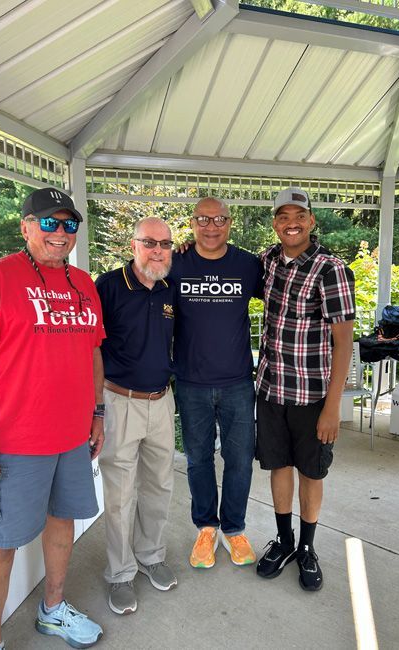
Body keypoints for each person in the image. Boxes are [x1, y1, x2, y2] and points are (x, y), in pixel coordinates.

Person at [0, 187, 105, 650]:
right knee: (1, 542)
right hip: (13, 440)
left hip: (71, 435)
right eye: (49, 222)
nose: (60, 233)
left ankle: (52, 609)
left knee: (63, 521)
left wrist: (97, 410)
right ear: (25, 225)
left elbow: (92, 352)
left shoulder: (84, 284)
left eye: (69, 224)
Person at [255, 187, 355, 591]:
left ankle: (308, 548)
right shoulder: (267, 262)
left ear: (312, 221)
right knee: (279, 466)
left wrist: (333, 407)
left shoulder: (331, 269)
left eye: (299, 215)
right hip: (271, 389)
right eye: (283, 216)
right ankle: (285, 541)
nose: (291, 222)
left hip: (313, 397)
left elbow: (344, 341)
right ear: (275, 222)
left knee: (311, 472)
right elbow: (224, 261)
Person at [170, 197, 263, 569]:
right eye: (203, 220)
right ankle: (206, 527)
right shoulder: (176, 262)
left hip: (238, 381)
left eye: (219, 219)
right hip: (190, 381)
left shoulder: (247, 264)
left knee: (239, 459)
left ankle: (235, 529)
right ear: (192, 223)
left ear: (230, 222)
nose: (212, 226)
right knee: (198, 460)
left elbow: (283, 291)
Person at [95, 217, 177, 616]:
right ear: (134, 245)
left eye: (164, 243)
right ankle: (121, 573)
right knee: (120, 496)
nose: (157, 250)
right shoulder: (109, 287)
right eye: (149, 243)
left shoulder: (169, 288)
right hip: (119, 401)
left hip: (162, 402)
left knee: (160, 485)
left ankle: (150, 554)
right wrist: (93, 407)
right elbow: (90, 350)